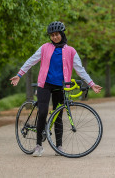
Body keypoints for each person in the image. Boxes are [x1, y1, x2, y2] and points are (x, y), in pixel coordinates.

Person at [10, 21, 102, 157]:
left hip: (61, 86)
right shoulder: (44, 48)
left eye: (57, 34)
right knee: (42, 112)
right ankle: (38, 146)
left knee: (58, 115)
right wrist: (19, 75)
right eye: (52, 35)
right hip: (45, 85)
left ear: (62, 34)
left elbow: (80, 69)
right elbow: (31, 60)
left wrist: (91, 83)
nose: (54, 37)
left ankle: (58, 146)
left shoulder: (71, 51)